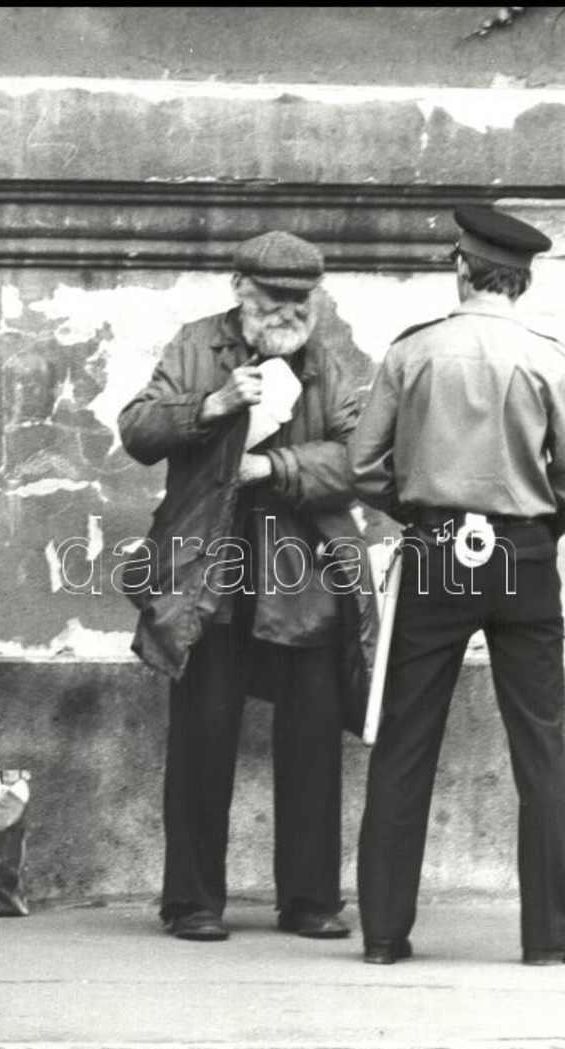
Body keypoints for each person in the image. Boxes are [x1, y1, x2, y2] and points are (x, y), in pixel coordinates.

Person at [349, 204, 565, 966]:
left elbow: (364, 467)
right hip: (522, 560)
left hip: (432, 554)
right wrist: (531, 535)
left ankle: (385, 934)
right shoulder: (547, 358)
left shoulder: (410, 353)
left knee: (403, 743)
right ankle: (548, 935)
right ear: (520, 281)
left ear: (460, 268)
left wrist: (423, 520)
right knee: (539, 746)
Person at [119, 230, 375, 942]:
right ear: (239, 289)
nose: (289, 313)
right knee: (201, 744)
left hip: (306, 577)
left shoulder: (336, 356)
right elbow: (137, 430)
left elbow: (367, 458)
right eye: (274, 299)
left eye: (302, 300)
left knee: (313, 747)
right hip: (212, 578)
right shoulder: (197, 345)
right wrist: (213, 405)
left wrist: (279, 469)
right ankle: (193, 903)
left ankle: (311, 901)